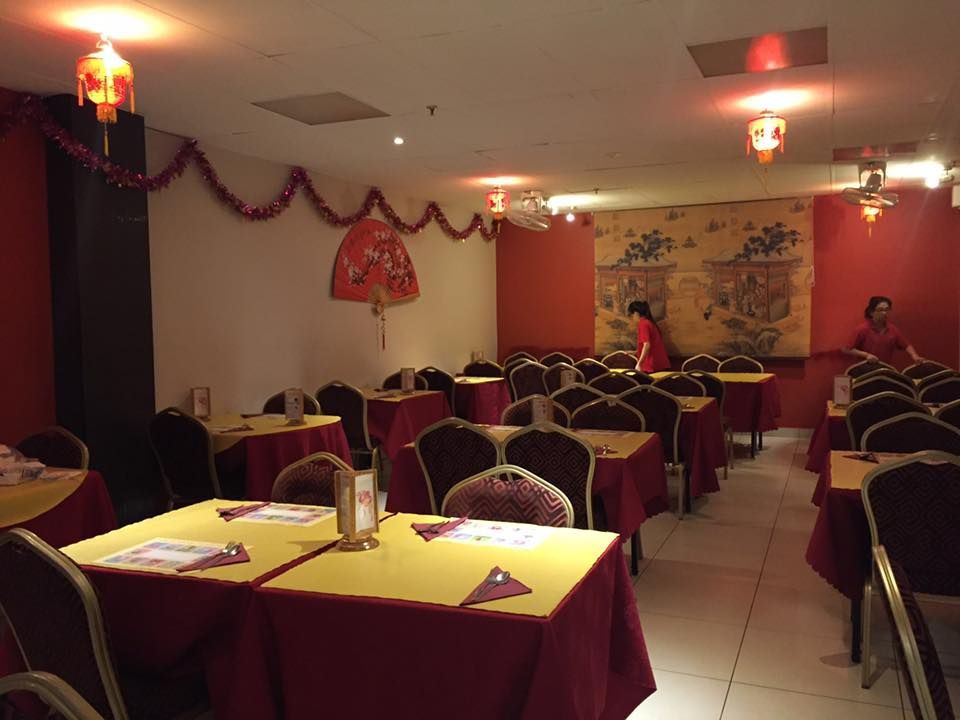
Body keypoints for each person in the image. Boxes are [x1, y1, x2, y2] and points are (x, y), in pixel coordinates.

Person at [843, 295, 923, 366]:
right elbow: (846, 349)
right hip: (864, 370)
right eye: (880, 310)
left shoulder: (892, 329)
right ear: (871, 312)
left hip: (884, 369)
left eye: (887, 310)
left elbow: (906, 345)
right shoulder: (862, 329)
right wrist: (866, 355)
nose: (884, 313)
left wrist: (915, 356)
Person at [628, 300, 670, 373]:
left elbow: (647, 345)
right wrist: (635, 352)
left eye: (631, 315)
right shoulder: (649, 322)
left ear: (636, 313)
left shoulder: (643, 323)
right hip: (659, 363)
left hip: (651, 365)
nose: (631, 318)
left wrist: (639, 364)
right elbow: (651, 344)